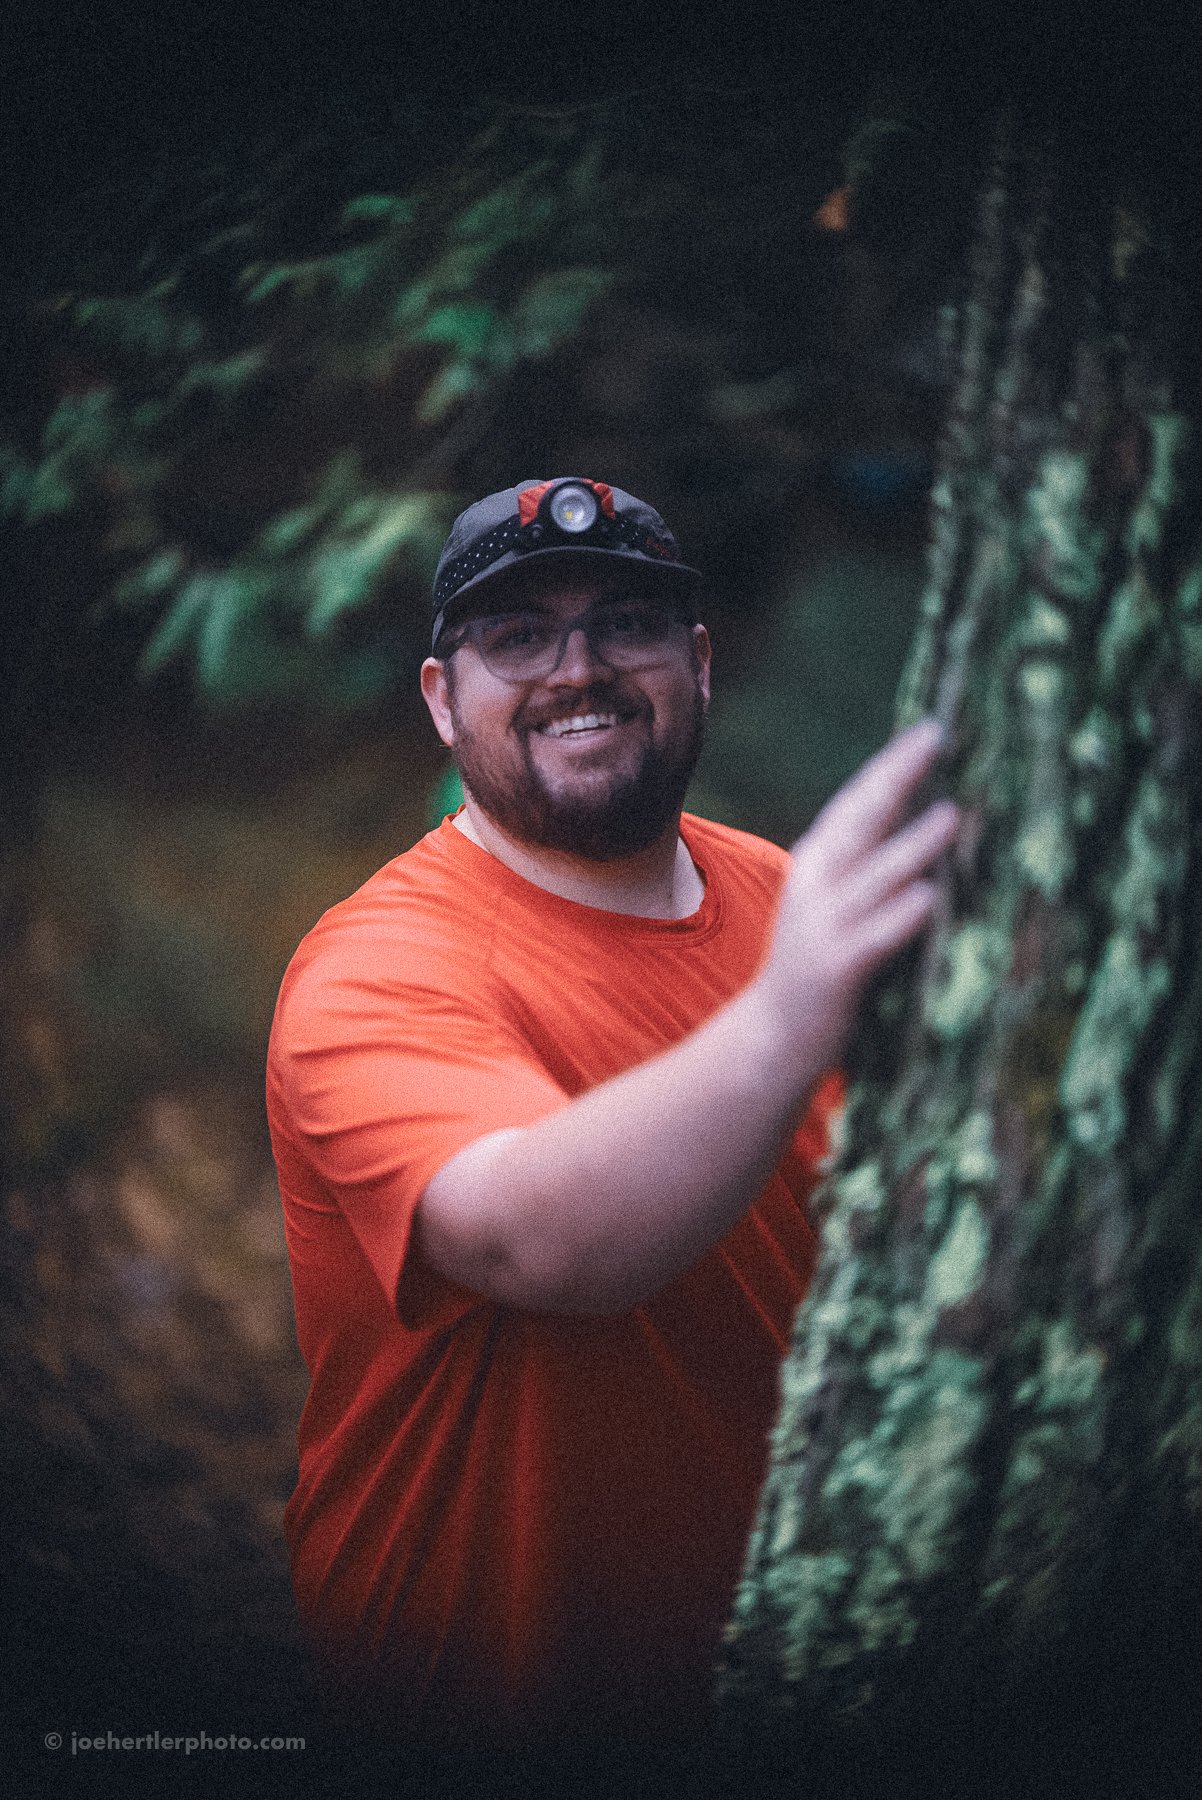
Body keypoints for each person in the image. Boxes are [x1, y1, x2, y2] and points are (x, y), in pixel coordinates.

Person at [265, 477, 957, 1764]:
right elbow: (536, 1241)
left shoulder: (796, 906)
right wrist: (790, 1009)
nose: (577, 669)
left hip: (786, 1693)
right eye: (518, 636)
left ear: (696, 663)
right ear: (442, 700)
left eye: (625, 624)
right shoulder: (374, 972)